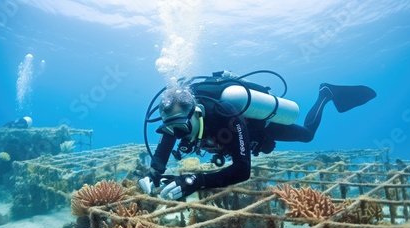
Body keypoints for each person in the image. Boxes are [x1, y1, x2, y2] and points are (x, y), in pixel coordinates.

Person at [138, 70, 376, 200]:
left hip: (259, 127)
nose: (176, 135)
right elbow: (165, 144)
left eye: (180, 128)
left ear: (197, 112)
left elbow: (242, 171)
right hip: (223, 136)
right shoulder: (175, 120)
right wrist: (154, 175)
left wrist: (194, 180)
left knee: (308, 135)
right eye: (170, 129)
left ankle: (325, 94)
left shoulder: (226, 112)